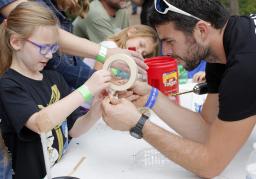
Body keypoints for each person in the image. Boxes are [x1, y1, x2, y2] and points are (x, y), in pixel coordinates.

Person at [101, 0, 256, 178]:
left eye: (169, 41)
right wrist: (150, 95)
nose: (165, 51)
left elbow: (211, 165)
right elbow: (206, 130)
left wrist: (138, 124)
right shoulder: (223, 48)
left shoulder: (245, 65)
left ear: (202, 30)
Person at [0, 2, 111, 178]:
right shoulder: (8, 85)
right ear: (16, 42)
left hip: (61, 171)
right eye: (44, 48)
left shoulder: (54, 78)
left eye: (53, 48)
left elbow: (74, 129)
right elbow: (40, 123)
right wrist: (86, 89)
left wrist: (97, 109)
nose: (50, 55)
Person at [0, 0, 147, 88]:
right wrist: (105, 55)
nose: (50, 53)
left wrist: (105, 79)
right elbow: (41, 30)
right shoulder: (11, 87)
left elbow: (67, 61)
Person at [86, 24, 159, 70]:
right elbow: (97, 73)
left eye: (143, 54)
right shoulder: (110, 46)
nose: (139, 52)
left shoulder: (124, 56)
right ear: (131, 32)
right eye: (141, 44)